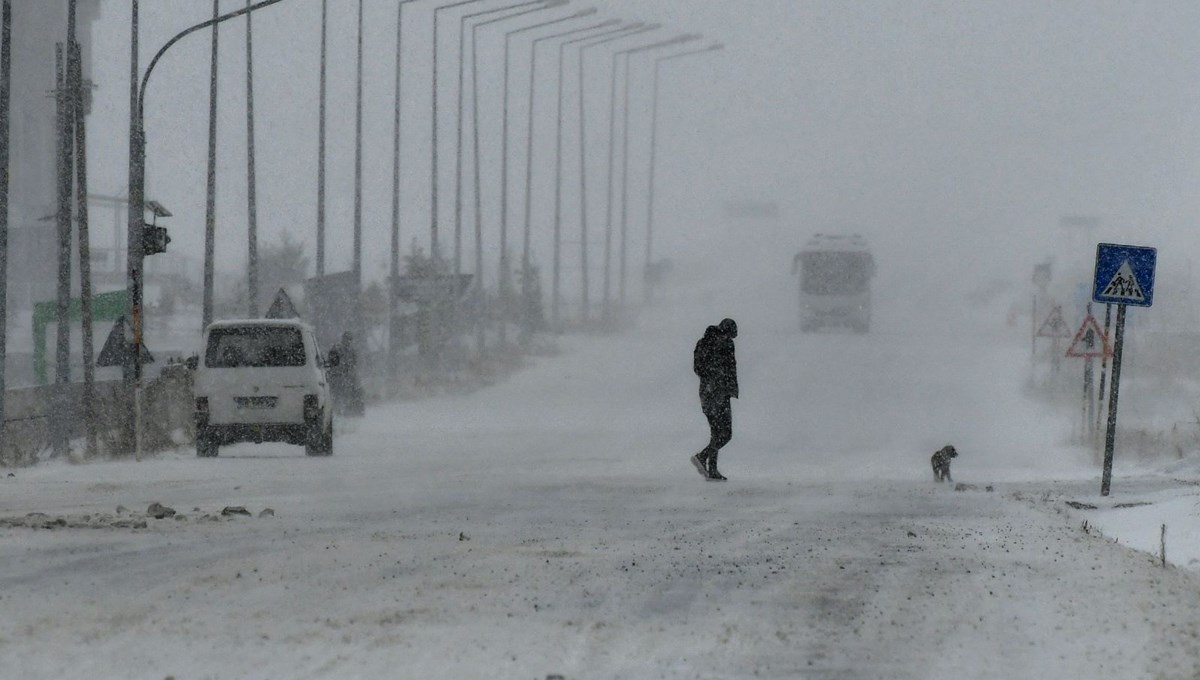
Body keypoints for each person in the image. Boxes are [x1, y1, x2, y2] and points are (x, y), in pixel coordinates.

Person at [690, 318, 738, 481]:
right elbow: (728, 369)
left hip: (708, 393)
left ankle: (712, 470)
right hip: (719, 394)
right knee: (725, 434)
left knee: (717, 433)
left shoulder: (704, 342)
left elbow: (697, 368)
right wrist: (720, 381)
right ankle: (702, 457)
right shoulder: (723, 344)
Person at [328, 331, 364, 417]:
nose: (348, 341)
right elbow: (331, 361)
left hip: (345, 378)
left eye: (349, 339)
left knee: (344, 396)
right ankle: (338, 412)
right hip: (338, 377)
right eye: (347, 339)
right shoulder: (337, 348)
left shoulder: (352, 351)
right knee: (337, 397)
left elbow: (354, 364)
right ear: (343, 339)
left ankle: (343, 412)